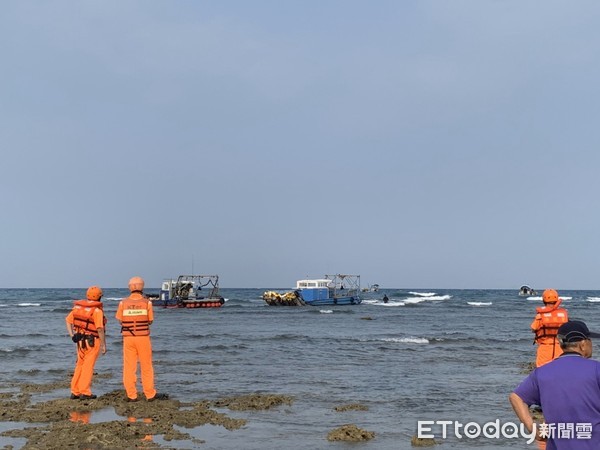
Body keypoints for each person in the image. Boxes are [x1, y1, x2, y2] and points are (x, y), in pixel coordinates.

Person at [510, 320, 600, 449]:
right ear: (583, 344)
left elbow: (516, 398)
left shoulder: (541, 373)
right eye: (590, 340)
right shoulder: (596, 369)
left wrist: (533, 429)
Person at [115, 276, 168, 402]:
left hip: (128, 338)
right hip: (143, 338)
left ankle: (131, 395)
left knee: (129, 367)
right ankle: (150, 394)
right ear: (142, 287)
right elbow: (150, 320)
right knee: (146, 366)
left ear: (130, 287)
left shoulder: (123, 303)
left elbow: (119, 319)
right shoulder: (147, 303)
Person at [65, 285, 107, 400]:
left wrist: (72, 336)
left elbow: (68, 321)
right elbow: (99, 329)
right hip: (92, 341)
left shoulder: (78, 308)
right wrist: (103, 344)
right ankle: (85, 392)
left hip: (79, 342)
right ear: (99, 297)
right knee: (88, 367)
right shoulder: (97, 311)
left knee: (79, 365)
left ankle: (75, 391)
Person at [531, 289, 568, 367]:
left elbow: (533, 329)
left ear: (544, 300)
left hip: (545, 348)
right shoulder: (563, 315)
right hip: (559, 348)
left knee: (541, 371)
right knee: (559, 371)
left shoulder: (540, 316)